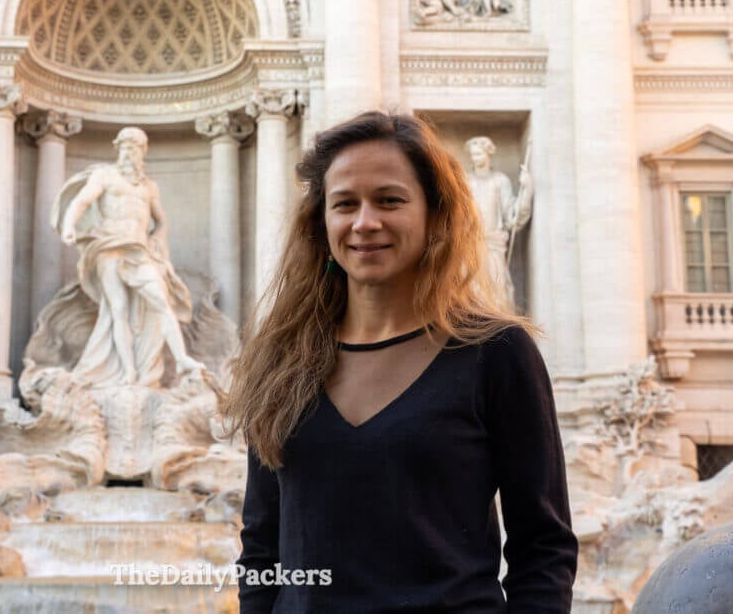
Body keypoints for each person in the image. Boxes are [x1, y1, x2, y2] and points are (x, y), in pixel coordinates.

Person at [222, 112, 576, 612]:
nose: (365, 222)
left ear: (435, 214)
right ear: (322, 225)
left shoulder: (497, 353)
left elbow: (544, 547)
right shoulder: (282, 360)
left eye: (390, 200)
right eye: (345, 204)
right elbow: (261, 544)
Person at [52, 127, 205, 388]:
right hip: (109, 248)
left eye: (133, 148)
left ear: (142, 153)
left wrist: (158, 240)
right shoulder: (105, 176)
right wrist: (69, 226)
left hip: (138, 250)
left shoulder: (149, 187)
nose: (128, 153)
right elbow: (80, 201)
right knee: (117, 310)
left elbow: (161, 221)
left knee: (162, 301)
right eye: (124, 148)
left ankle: (181, 359)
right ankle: (129, 372)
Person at [465, 135, 532, 303]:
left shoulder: (500, 181)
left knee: (497, 294)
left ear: (488, 154)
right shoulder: (465, 182)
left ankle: (498, 329)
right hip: (469, 247)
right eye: (472, 155)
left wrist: (526, 190)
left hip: (493, 246)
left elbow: (512, 216)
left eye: (479, 154)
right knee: (470, 294)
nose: (475, 158)